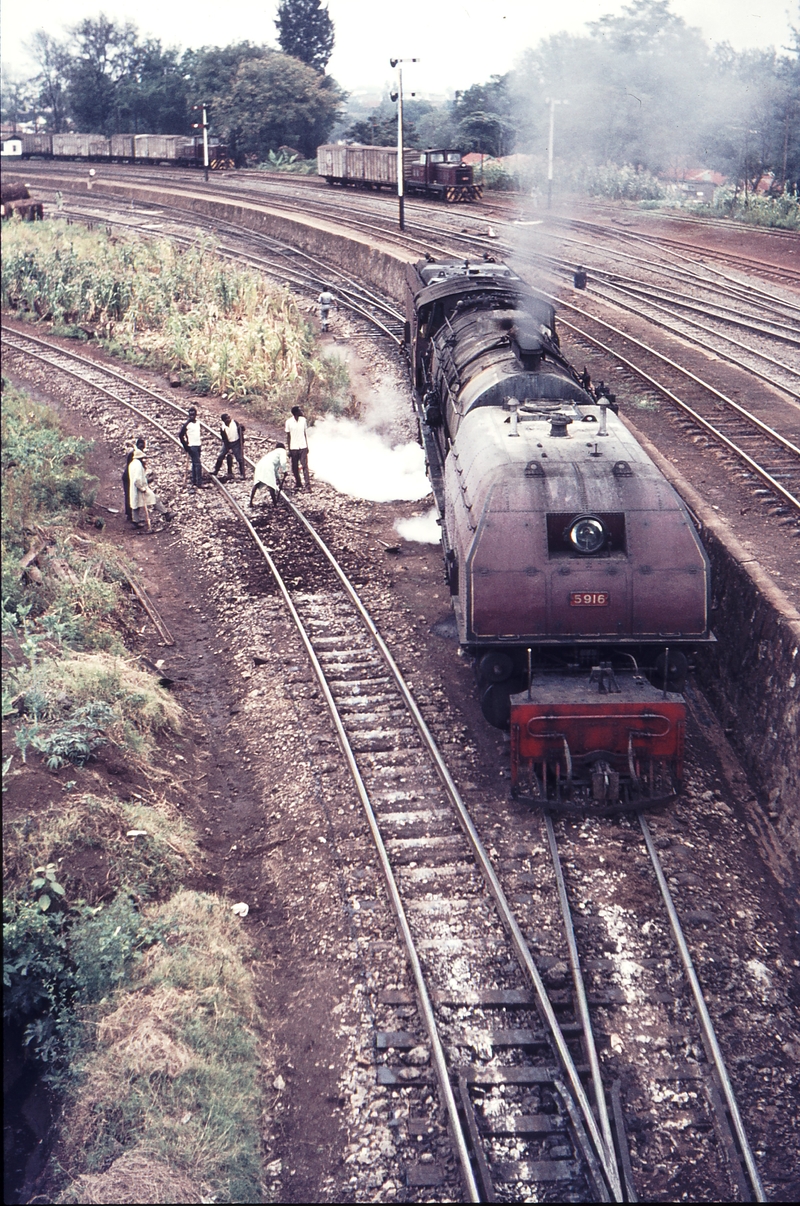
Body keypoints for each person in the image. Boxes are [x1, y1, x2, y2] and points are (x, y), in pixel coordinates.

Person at [128, 448, 171, 530]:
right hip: (140, 487)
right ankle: (166, 514)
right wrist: (142, 488)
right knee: (154, 498)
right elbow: (137, 479)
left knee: (135, 504)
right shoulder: (138, 465)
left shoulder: (132, 464)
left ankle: (135, 521)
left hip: (134, 488)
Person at [250, 443, 288, 507]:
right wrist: (285, 471)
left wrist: (278, 478)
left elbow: (275, 470)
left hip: (260, 465)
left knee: (257, 483)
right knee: (271, 485)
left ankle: (250, 501)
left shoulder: (273, 453)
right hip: (268, 466)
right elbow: (283, 462)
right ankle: (275, 503)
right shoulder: (282, 451)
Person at [285, 405, 311, 492]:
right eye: (300, 410)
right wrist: (289, 449)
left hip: (303, 446)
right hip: (294, 447)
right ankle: (298, 482)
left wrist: (307, 446)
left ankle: (308, 486)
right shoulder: (288, 422)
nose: (301, 412)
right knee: (294, 467)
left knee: (305, 466)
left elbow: (304, 434)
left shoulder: (303, 420)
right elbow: (288, 436)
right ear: (295, 413)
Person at [212, 414, 246, 480]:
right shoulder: (223, 428)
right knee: (221, 455)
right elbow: (224, 439)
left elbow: (242, 430)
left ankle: (242, 473)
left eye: (229, 418)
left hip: (236, 442)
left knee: (239, 458)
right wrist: (228, 448)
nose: (229, 419)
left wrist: (242, 429)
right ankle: (216, 470)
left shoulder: (235, 423)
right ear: (224, 420)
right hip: (227, 443)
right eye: (227, 419)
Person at [122, 436, 146, 520]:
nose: (141, 448)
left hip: (132, 476)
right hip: (128, 477)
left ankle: (134, 516)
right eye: (140, 446)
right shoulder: (133, 454)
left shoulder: (139, 454)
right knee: (130, 495)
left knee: (134, 496)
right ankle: (129, 515)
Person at [178, 406, 203, 488]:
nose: (192, 416)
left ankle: (194, 481)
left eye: (193, 414)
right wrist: (186, 447)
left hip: (198, 444)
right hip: (192, 446)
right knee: (198, 464)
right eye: (190, 415)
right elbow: (181, 436)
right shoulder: (186, 424)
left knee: (195, 464)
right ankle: (199, 482)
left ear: (196, 414)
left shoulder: (198, 423)